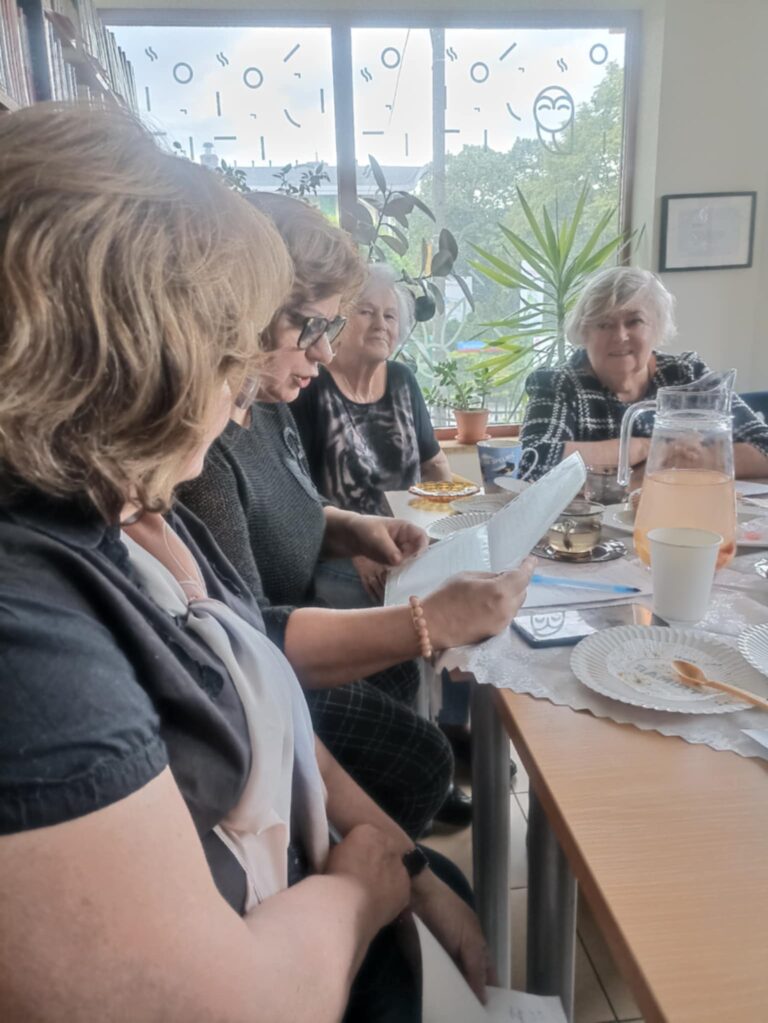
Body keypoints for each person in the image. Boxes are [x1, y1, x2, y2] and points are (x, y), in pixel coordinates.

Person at [0, 104, 534, 1021]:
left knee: (451, 887)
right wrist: (366, 889)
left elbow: (267, 699)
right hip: (293, 955)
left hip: (306, 902)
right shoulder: (30, 630)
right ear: (141, 355)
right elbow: (226, 1003)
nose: (245, 386)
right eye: (231, 349)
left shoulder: (135, 516)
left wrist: (406, 867)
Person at [182, 193, 521, 835]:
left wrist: (357, 529)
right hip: (266, 676)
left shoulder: (268, 405)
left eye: (330, 329)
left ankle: (377, 838)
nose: (323, 352)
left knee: (403, 681)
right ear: (245, 309)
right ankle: (360, 852)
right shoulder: (203, 453)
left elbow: (299, 507)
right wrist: (429, 620)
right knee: (424, 764)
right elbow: (248, 645)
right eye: (312, 326)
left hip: (296, 628)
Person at [519, 266, 768, 480]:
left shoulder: (688, 375)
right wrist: (653, 448)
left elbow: (763, 446)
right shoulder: (556, 383)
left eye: (634, 321)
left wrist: (661, 466)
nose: (620, 336)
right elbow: (534, 462)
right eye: (604, 324)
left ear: (657, 327)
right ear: (584, 333)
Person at [292, 263, 452, 518]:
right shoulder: (310, 385)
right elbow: (295, 492)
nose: (380, 325)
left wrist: (441, 524)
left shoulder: (402, 381)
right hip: (340, 538)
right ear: (337, 321)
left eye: (390, 316)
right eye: (366, 312)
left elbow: (434, 464)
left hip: (409, 534)